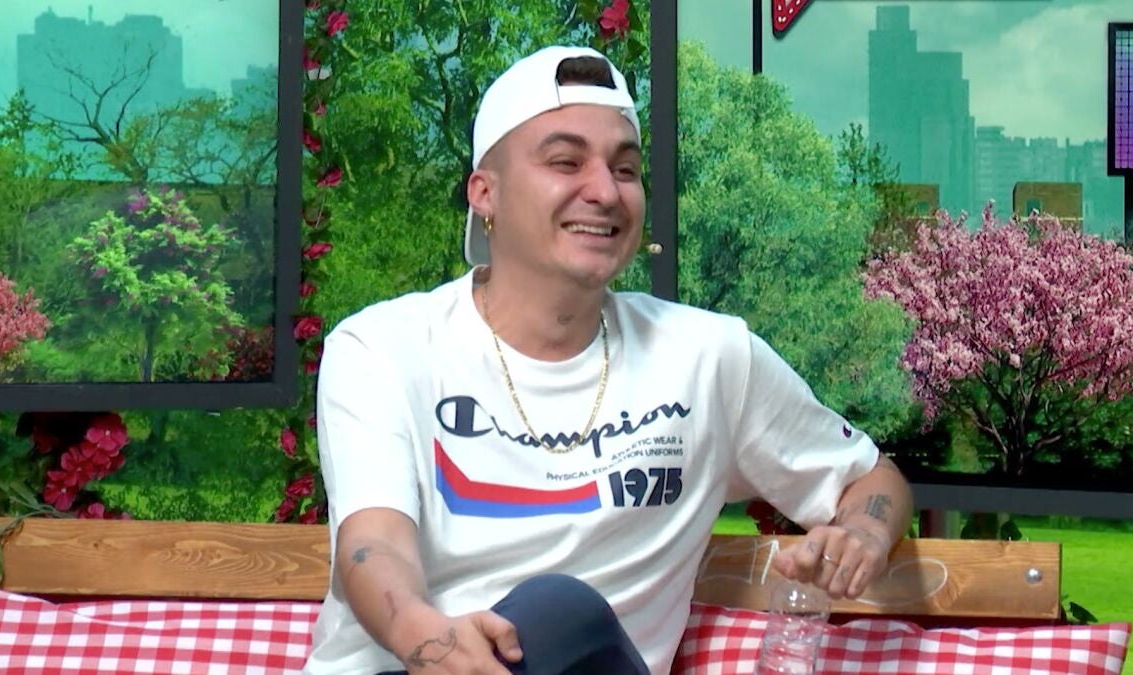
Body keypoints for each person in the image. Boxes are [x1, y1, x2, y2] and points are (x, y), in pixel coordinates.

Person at [304, 45, 913, 675]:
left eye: (625, 169)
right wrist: (428, 638)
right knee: (554, 609)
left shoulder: (708, 358)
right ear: (485, 193)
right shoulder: (382, 348)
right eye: (565, 162)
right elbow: (374, 545)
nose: (604, 192)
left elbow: (871, 479)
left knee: (561, 611)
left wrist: (864, 534)